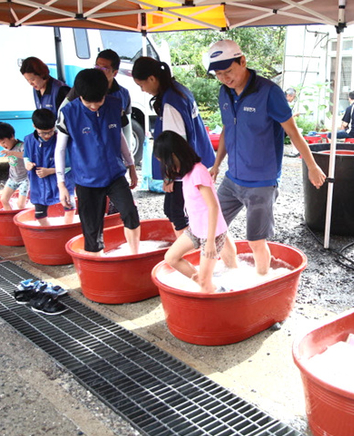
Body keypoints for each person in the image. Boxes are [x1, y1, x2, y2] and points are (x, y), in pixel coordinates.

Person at [206, 39, 326, 275]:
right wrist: (217, 163)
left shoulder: (269, 92)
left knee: (256, 241)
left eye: (228, 71)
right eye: (219, 74)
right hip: (232, 179)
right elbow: (228, 128)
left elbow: (293, 133)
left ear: (242, 61)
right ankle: (232, 274)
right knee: (215, 227)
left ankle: (261, 283)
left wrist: (312, 165)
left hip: (261, 182)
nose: (224, 78)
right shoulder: (224, 92)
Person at [54, 68, 140, 255]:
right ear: (80, 96)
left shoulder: (114, 105)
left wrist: (131, 166)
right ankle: (97, 262)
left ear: (105, 94)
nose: (94, 106)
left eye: (98, 100)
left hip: (115, 174)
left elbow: (119, 136)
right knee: (91, 229)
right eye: (88, 102)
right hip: (86, 179)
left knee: (130, 214)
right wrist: (61, 184)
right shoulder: (68, 113)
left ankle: (135, 254)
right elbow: (60, 150)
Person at [132, 57, 215, 237]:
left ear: (152, 79)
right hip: (190, 164)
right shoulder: (178, 90)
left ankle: (188, 252)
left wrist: (170, 175)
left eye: (141, 85)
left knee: (177, 212)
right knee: (173, 210)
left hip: (183, 168)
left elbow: (176, 143)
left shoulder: (171, 101)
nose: (143, 90)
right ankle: (187, 249)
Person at [154, 130, 237, 293]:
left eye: (164, 161)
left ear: (173, 155)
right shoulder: (186, 173)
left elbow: (213, 207)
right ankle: (207, 283)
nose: (164, 166)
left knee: (205, 284)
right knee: (171, 257)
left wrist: (211, 241)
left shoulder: (198, 171)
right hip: (196, 229)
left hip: (212, 234)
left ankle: (214, 289)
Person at [62, 49, 133, 146]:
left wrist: (128, 152)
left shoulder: (123, 94)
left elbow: (126, 127)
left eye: (104, 69)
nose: (98, 70)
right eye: (97, 66)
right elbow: (62, 111)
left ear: (115, 73)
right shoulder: (83, 87)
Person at [23, 109, 75, 226]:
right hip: (38, 184)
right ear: (34, 126)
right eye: (43, 133)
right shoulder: (28, 140)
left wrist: (50, 171)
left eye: (51, 131)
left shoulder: (61, 139)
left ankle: (66, 232)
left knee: (69, 208)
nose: (47, 136)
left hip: (61, 181)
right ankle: (51, 233)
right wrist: (27, 163)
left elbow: (70, 165)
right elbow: (26, 156)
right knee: (39, 215)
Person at [0, 122, 28, 210]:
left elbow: (26, 155)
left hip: (25, 180)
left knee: (20, 205)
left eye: (3, 142)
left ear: (12, 136)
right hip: (13, 178)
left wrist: (12, 153)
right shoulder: (7, 148)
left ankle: (21, 221)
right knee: (3, 200)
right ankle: (10, 220)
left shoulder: (21, 146)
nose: (2, 145)